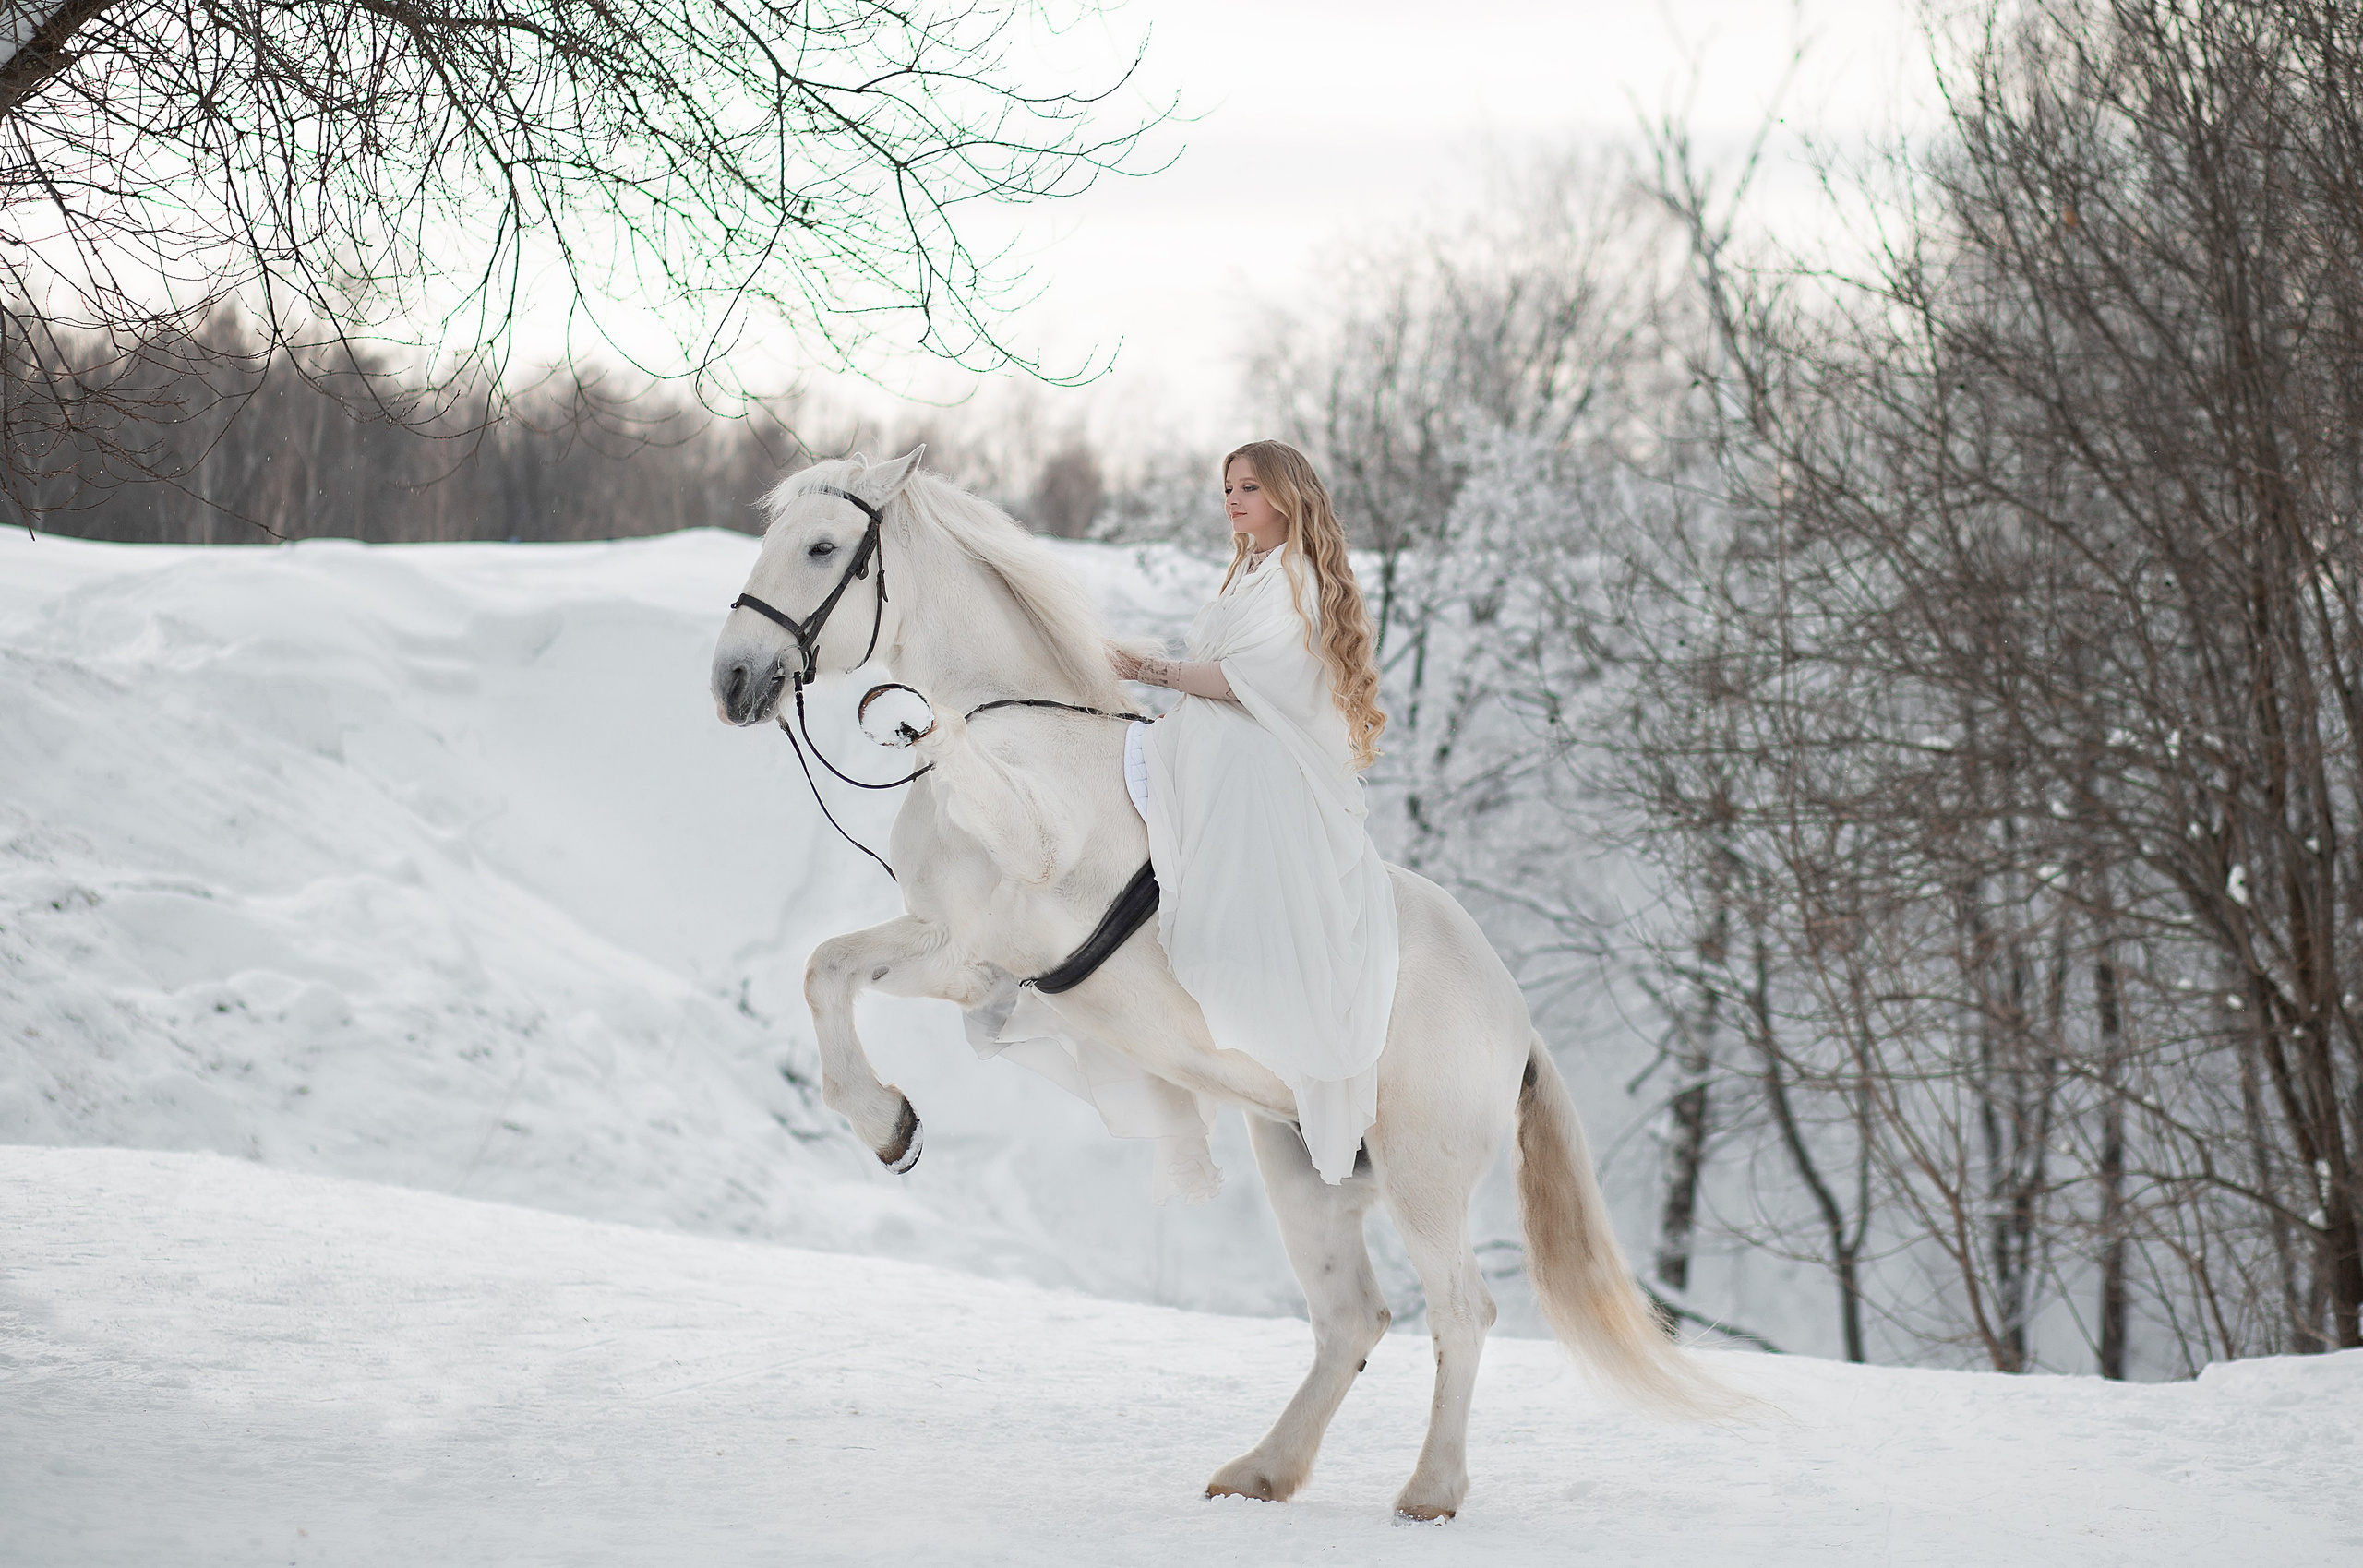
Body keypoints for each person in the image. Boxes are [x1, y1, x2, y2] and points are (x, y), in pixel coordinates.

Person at [1109, 440, 1398, 1184]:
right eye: (1228, 487)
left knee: (1208, 753)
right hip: (1227, 730)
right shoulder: (1249, 571)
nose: (1232, 500)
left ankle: (1207, 934)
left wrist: (1147, 668)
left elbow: (1247, 679)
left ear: (1286, 495)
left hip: (1263, 748)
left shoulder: (1297, 577)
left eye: (1249, 487)